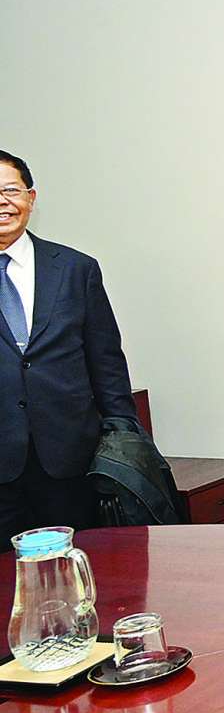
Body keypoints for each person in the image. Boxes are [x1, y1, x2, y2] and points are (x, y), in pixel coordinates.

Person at [0, 150, 138, 541]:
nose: (2, 202)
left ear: (31, 197)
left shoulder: (76, 269)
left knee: (79, 563)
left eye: (10, 190)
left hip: (70, 460)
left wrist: (124, 437)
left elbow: (106, 362)